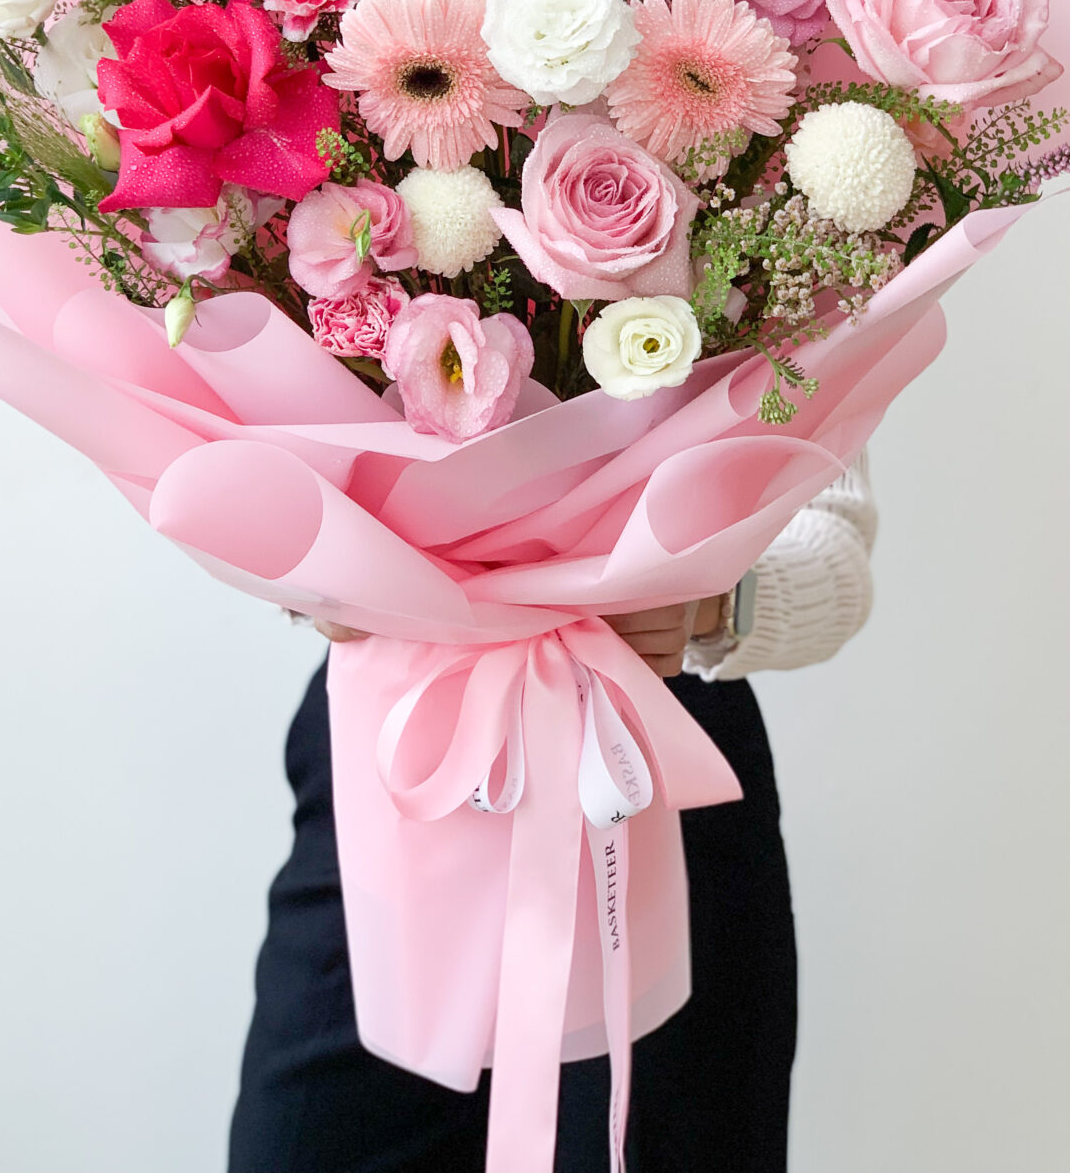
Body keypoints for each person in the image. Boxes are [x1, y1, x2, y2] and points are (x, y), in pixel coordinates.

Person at [228, 453, 877, 1173]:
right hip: (395, 768)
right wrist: (307, 563)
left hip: (645, 757)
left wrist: (712, 603)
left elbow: (835, 541)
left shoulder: (789, 338)